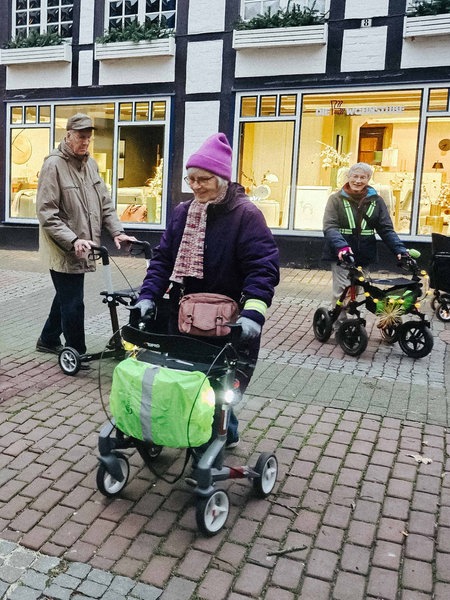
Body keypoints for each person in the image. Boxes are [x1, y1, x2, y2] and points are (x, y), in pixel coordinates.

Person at [131, 132, 280, 448]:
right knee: (185, 379)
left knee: (220, 387)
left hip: (229, 323)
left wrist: (254, 313)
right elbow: (163, 260)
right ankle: (187, 430)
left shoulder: (247, 215)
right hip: (184, 317)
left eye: (204, 179)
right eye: (191, 179)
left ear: (223, 178)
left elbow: (262, 268)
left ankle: (225, 433)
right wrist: (147, 296)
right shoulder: (183, 213)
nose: (196, 185)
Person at [36, 112, 136, 359]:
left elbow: (104, 202)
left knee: (65, 295)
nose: (85, 142)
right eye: (81, 137)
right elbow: (46, 213)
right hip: (62, 246)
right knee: (74, 301)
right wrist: (72, 239)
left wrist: (117, 232)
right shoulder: (53, 165)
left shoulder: (90, 164)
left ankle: (48, 339)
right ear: (68, 135)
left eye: (88, 138)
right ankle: (76, 352)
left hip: (85, 243)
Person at [322, 162, 408, 305]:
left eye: (363, 177)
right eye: (355, 176)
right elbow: (330, 226)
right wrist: (341, 246)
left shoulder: (377, 201)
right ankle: (339, 324)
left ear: (368, 179)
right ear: (348, 177)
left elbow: (386, 229)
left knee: (360, 292)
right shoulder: (335, 199)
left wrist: (399, 249)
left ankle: (353, 322)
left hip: (364, 254)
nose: (358, 180)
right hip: (342, 254)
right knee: (343, 291)